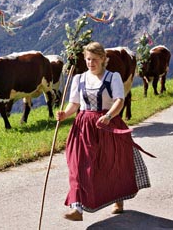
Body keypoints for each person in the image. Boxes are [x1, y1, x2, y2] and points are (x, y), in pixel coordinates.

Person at [56, 42, 152, 221]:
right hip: (83, 126)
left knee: (112, 165)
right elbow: (75, 103)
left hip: (107, 124)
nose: (90, 63)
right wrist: (65, 114)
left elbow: (119, 101)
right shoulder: (79, 79)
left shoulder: (112, 77)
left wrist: (108, 116)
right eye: (88, 59)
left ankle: (118, 199)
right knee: (77, 165)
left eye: (94, 60)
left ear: (103, 59)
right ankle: (77, 208)